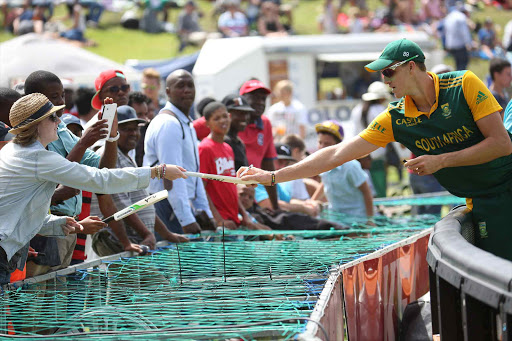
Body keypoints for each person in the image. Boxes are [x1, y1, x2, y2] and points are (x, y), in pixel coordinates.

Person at [240, 38, 512, 260]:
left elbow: (502, 144)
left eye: (388, 71)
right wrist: (272, 176)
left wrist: (441, 161)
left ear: (410, 67)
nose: (385, 80)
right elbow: (336, 154)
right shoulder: (395, 117)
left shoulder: (463, 84)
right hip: (484, 199)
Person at [0, 93, 186, 284]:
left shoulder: (15, 151)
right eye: (52, 117)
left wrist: (62, 224)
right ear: (36, 125)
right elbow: (99, 179)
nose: (58, 120)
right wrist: (157, 172)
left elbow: (19, 212)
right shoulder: (36, 157)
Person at [91, 106, 188, 255]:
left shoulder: (126, 156)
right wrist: (146, 234)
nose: (134, 134)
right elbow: (122, 207)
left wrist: (167, 234)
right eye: (126, 129)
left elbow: (142, 203)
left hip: (137, 242)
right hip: (120, 243)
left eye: (136, 129)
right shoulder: (110, 157)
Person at [144, 69, 212, 235]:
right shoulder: (169, 124)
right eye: (180, 86)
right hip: (166, 206)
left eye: (190, 85)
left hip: (179, 206)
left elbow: (194, 175)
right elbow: (171, 178)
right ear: (168, 91)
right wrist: (186, 220)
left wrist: (206, 212)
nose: (187, 90)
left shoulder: (186, 123)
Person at [198, 101, 260, 229]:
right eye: (216, 118)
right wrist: (218, 220)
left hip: (234, 220)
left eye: (225, 116)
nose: (222, 121)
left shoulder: (228, 148)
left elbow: (231, 187)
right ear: (207, 123)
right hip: (221, 224)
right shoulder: (205, 148)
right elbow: (202, 188)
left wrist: (244, 215)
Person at [311, 121, 374, 218]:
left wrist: (370, 220)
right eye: (320, 143)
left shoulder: (350, 166)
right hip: (335, 217)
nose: (322, 147)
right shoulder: (323, 164)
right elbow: (325, 182)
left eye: (327, 144)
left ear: (338, 144)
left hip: (356, 218)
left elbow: (366, 191)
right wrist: (312, 201)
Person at [238, 79, 279, 210]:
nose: (260, 103)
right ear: (242, 98)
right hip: (233, 192)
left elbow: (268, 166)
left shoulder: (265, 123)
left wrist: (276, 207)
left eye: (263, 99)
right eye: (255, 98)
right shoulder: (227, 119)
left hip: (253, 190)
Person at [350, 81, 393, 198]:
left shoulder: (357, 110)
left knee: (364, 191)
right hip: (377, 157)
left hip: (361, 157)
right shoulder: (380, 110)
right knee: (380, 191)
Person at [222, 93, 253, 171]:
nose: (244, 118)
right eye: (239, 113)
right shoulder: (222, 142)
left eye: (246, 113)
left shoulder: (239, 143)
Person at [443, 3, 473, 71]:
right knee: (462, 65)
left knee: (457, 64)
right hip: (459, 45)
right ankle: (460, 79)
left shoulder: (449, 16)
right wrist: (469, 44)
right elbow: (464, 32)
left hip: (450, 45)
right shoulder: (461, 17)